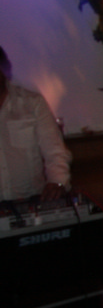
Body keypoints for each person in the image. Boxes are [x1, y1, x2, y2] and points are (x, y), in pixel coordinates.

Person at [0, 45, 72, 202]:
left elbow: (55, 150)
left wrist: (57, 182)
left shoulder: (32, 103)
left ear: (4, 71)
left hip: (32, 200)